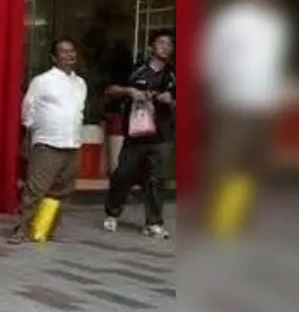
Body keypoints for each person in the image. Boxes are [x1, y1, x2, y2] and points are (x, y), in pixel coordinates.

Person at [202, 0, 290, 232]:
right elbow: (210, 58)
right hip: (234, 102)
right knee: (226, 159)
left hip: (265, 104)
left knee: (256, 163)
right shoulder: (232, 18)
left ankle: (237, 215)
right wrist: (217, 94)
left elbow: (276, 65)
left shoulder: (277, 22)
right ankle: (219, 218)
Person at [11, 38, 88, 242]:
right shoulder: (42, 81)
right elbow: (28, 109)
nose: (70, 55)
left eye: (72, 51)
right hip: (47, 143)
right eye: (64, 52)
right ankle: (21, 229)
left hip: (72, 143)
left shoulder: (80, 83)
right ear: (54, 57)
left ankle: (44, 228)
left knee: (61, 190)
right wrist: (34, 131)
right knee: (35, 189)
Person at [103, 31, 176, 238]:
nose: (165, 47)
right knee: (123, 174)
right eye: (161, 43)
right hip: (135, 135)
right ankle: (112, 212)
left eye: (169, 44)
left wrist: (170, 101)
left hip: (162, 136)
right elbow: (109, 91)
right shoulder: (135, 70)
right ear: (151, 46)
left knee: (156, 180)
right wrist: (129, 91)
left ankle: (153, 223)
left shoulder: (173, 75)